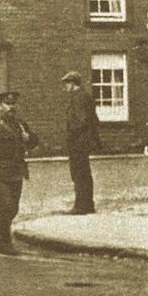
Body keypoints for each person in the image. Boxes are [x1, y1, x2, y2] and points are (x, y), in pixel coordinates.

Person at [0, 91, 39, 255]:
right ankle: (3, 242)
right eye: (7, 104)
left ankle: (0, 241)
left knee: (14, 208)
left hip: (17, 171)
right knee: (6, 205)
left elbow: (33, 143)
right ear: (0, 106)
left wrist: (28, 138)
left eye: (13, 104)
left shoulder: (21, 125)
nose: (11, 107)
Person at [61, 71, 100, 215]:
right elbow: (94, 120)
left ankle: (80, 206)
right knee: (84, 172)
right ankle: (88, 205)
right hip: (85, 140)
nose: (65, 87)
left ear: (72, 84)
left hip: (78, 141)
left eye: (66, 84)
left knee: (78, 173)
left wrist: (72, 134)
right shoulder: (86, 96)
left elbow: (81, 121)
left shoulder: (78, 98)